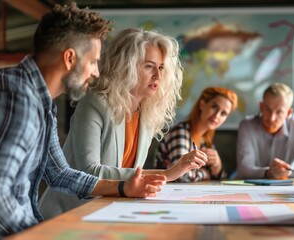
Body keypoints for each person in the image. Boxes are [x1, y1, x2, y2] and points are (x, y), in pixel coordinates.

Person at [0, 4, 168, 237]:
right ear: (69, 58)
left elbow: (59, 173)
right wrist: (37, 234)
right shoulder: (21, 99)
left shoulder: (42, 103)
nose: (97, 72)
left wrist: (122, 187)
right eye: (93, 62)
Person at [39, 28, 208, 219]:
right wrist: (167, 174)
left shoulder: (147, 112)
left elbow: (132, 174)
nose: (158, 76)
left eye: (161, 68)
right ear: (126, 66)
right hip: (70, 215)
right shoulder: (94, 104)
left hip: (110, 212)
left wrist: (173, 171)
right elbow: (90, 171)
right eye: (149, 66)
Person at [236, 82, 294, 179]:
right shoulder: (247, 126)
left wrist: (287, 173)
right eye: (268, 109)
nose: (272, 118)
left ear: (289, 113)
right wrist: (268, 173)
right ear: (261, 107)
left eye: (279, 112)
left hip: (287, 187)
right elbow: (243, 170)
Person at [154, 86, 238, 182]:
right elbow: (182, 176)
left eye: (223, 113)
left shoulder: (205, 140)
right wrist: (206, 173)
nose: (217, 115)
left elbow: (222, 179)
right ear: (202, 104)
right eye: (214, 107)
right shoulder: (180, 132)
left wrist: (218, 165)